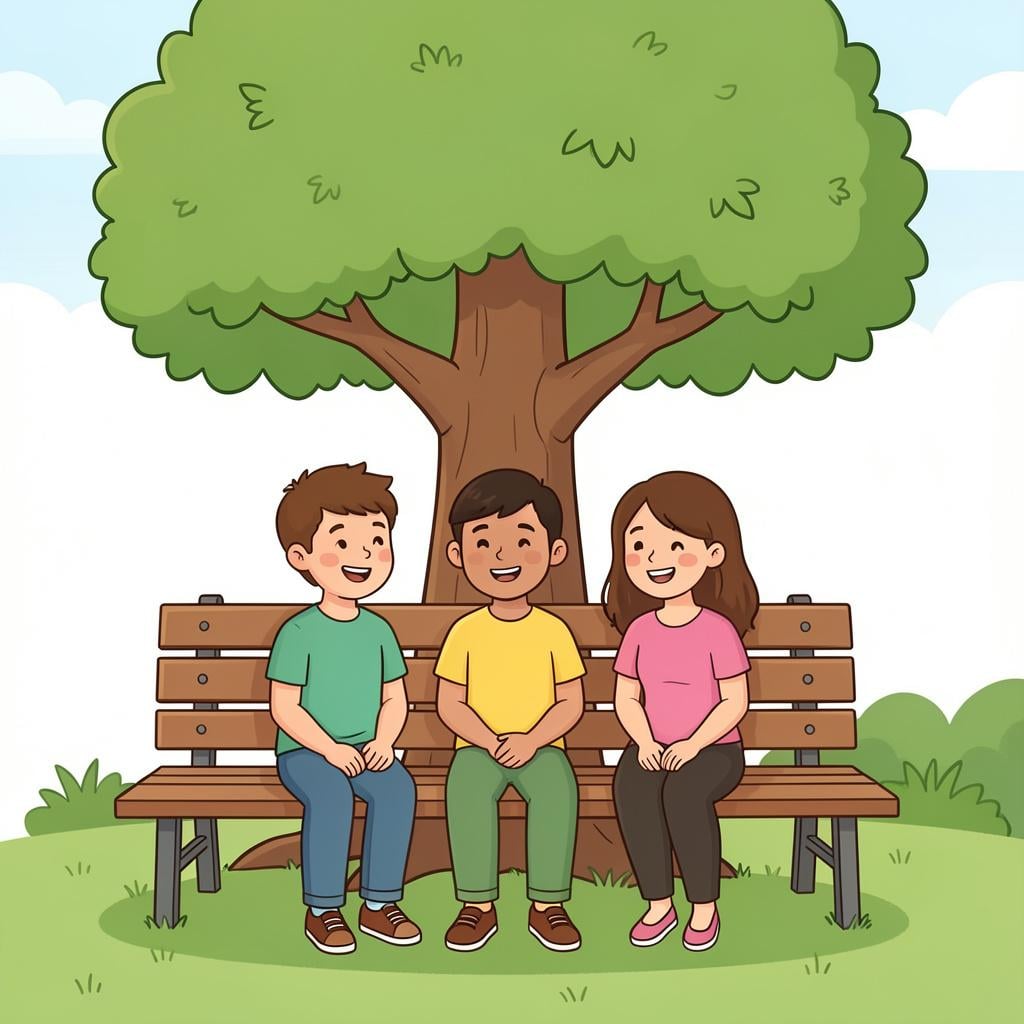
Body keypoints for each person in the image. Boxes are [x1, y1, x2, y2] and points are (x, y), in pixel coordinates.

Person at [268, 463, 421, 955]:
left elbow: (395, 696)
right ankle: (324, 910)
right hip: (307, 754)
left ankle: (378, 903)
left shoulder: (379, 630)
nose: (364, 555)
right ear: (302, 556)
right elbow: (285, 707)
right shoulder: (298, 632)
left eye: (377, 540)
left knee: (396, 790)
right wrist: (330, 749)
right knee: (331, 796)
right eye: (342, 540)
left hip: (367, 749)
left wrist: (383, 742)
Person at [604, 471, 759, 952]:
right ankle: (657, 903)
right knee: (632, 787)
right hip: (653, 746)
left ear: (713, 555)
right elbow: (626, 696)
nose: (655, 559)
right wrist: (647, 742)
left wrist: (693, 744)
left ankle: (704, 907)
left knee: (684, 796)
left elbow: (735, 700)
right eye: (640, 544)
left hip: (714, 751)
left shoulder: (717, 630)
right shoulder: (640, 630)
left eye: (674, 545)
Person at [436, 469, 586, 953]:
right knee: (467, 792)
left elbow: (570, 701)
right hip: (478, 748)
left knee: (556, 792)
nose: (502, 557)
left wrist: (530, 740)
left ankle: (547, 904)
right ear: (457, 555)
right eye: (483, 543)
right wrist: (488, 740)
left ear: (555, 553)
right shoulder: (465, 632)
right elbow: (450, 702)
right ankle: (477, 905)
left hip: (541, 747)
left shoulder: (553, 631)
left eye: (523, 540)